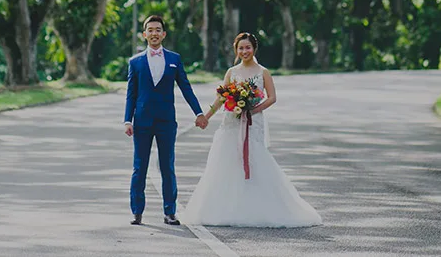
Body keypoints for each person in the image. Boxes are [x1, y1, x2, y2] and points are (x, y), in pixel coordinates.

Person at [182, 32, 322, 227]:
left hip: (252, 121)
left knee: (254, 158)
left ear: (254, 48)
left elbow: (272, 97)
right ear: (236, 50)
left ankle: (259, 208)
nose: (244, 51)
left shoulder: (263, 72)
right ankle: (226, 208)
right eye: (240, 48)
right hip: (231, 122)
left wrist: (253, 110)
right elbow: (221, 98)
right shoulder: (231, 72)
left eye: (247, 47)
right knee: (228, 159)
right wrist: (206, 116)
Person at [124, 15, 208, 226]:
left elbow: (186, 88)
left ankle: (170, 212)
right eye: (150, 30)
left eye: (158, 30)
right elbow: (131, 94)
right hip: (142, 121)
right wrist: (127, 120)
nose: (154, 33)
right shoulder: (135, 62)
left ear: (163, 34)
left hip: (166, 122)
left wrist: (199, 113)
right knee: (139, 167)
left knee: (167, 167)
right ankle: (137, 212)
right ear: (144, 34)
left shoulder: (174, 59)